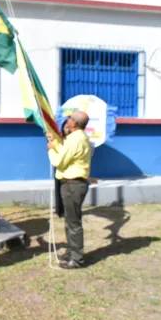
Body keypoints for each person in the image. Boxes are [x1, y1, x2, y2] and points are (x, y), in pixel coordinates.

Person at [46, 110, 92, 269]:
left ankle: (77, 259)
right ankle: (73, 253)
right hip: (71, 184)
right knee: (70, 221)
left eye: (70, 118)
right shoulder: (75, 138)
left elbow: (60, 162)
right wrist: (55, 142)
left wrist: (51, 149)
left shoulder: (76, 140)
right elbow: (66, 153)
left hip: (73, 184)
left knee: (73, 223)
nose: (67, 119)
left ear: (75, 123)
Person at [54, 119, 71, 218]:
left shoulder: (75, 140)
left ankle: (67, 211)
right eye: (66, 127)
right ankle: (59, 210)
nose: (68, 130)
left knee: (68, 193)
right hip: (60, 168)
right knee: (59, 191)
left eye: (70, 127)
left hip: (70, 170)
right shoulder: (59, 139)